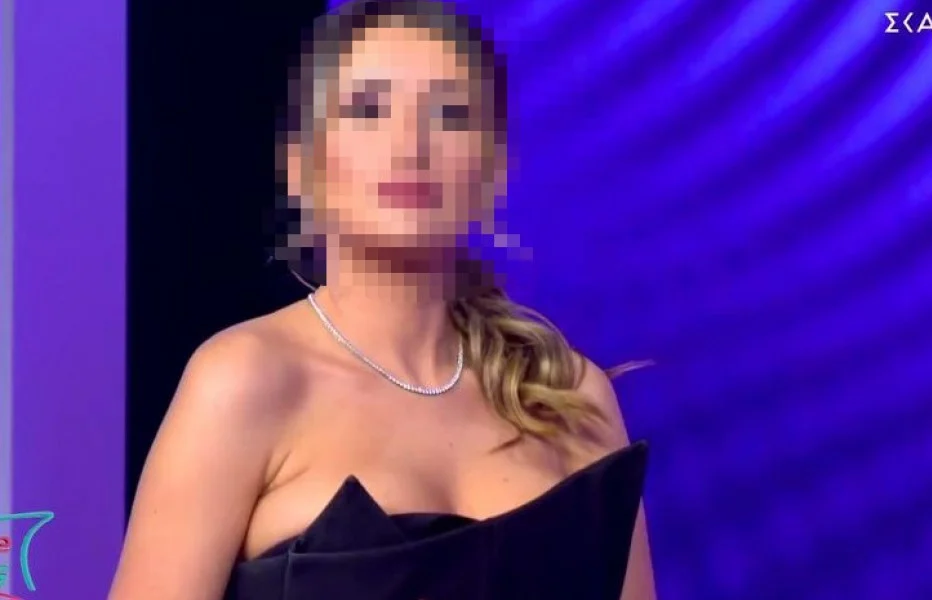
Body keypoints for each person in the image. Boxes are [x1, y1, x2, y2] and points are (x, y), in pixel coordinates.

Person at [109, 1, 657, 598]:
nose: (409, 145)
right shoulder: (245, 379)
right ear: (300, 167)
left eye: (448, 114)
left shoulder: (572, 398)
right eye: (368, 110)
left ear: (493, 169)